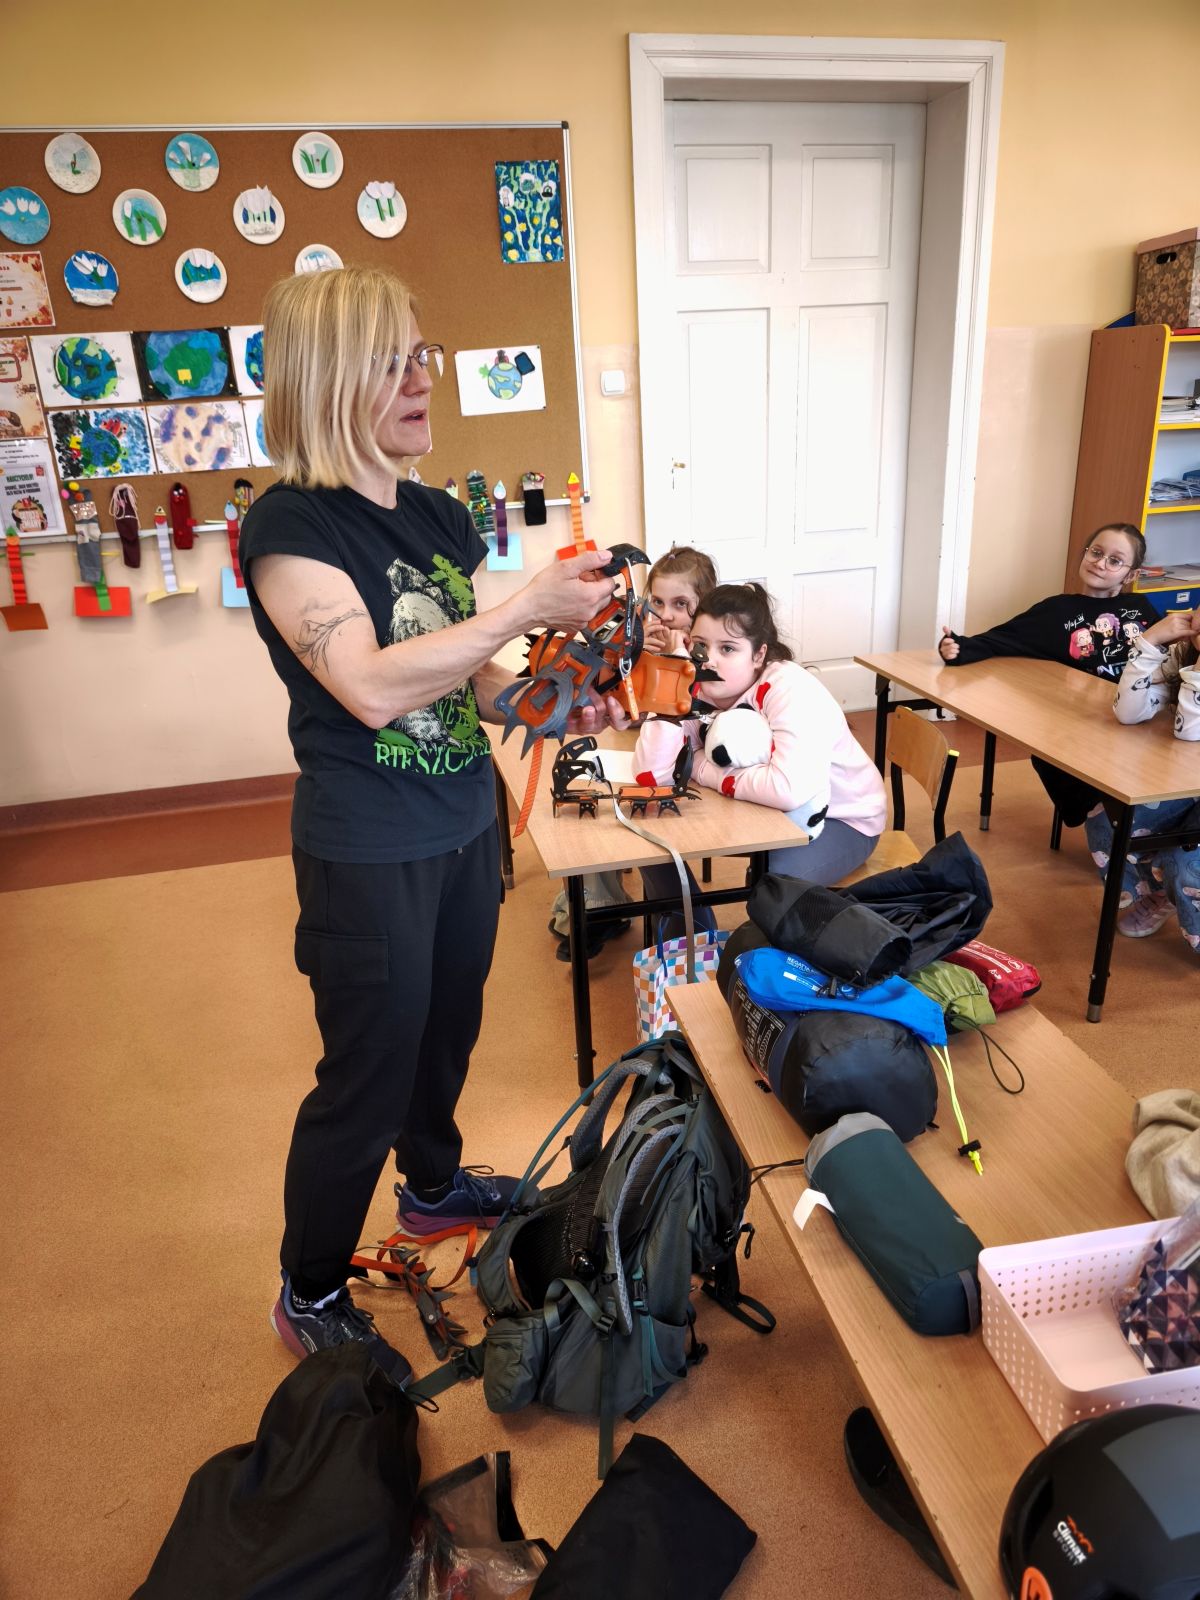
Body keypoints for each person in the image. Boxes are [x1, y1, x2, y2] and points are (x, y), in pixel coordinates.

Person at [238, 264, 624, 1380]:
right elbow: (366, 682)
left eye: (423, 354)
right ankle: (310, 1287)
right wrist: (525, 605)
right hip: (367, 848)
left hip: (463, 825)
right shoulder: (290, 524)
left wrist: (550, 695)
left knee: (446, 1028)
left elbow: (463, 676)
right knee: (366, 1072)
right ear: (330, 376)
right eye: (395, 361)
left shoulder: (440, 517)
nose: (424, 379)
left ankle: (433, 1189)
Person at [635, 583, 887, 924]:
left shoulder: (790, 689)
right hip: (760, 809)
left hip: (841, 820)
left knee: (773, 884)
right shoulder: (697, 683)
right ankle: (695, 940)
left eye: (728, 648)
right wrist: (670, 684)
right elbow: (651, 779)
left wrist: (703, 768)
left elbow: (787, 789)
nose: (709, 659)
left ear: (758, 655)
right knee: (650, 841)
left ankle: (757, 955)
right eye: (700, 645)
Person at [547, 544, 719, 960]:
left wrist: (675, 660)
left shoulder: (714, 651)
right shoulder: (640, 635)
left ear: (704, 607)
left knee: (636, 813)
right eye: (657, 601)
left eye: (681, 604)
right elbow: (628, 707)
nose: (667, 615)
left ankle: (674, 924)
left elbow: (692, 712)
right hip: (648, 752)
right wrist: (637, 655)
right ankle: (598, 905)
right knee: (592, 791)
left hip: (692, 767)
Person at [937, 523, 1161, 826]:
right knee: (1047, 753)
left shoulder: (1140, 607)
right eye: (1096, 552)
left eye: (1115, 560)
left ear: (1131, 575)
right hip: (1089, 721)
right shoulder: (1057, 611)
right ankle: (1098, 816)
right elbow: (1002, 639)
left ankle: (1134, 817)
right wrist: (958, 647)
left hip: (1143, 714)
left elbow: (1171, 655)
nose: (1100, 563)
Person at [1089, 606, 1200, 941]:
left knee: (1186, 862)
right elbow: (1128, 713)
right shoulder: (1184, 654)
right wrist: (1148, 645)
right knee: (1110, 816)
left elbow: (1189, 732)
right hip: (1189, 783)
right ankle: (1159, 890)